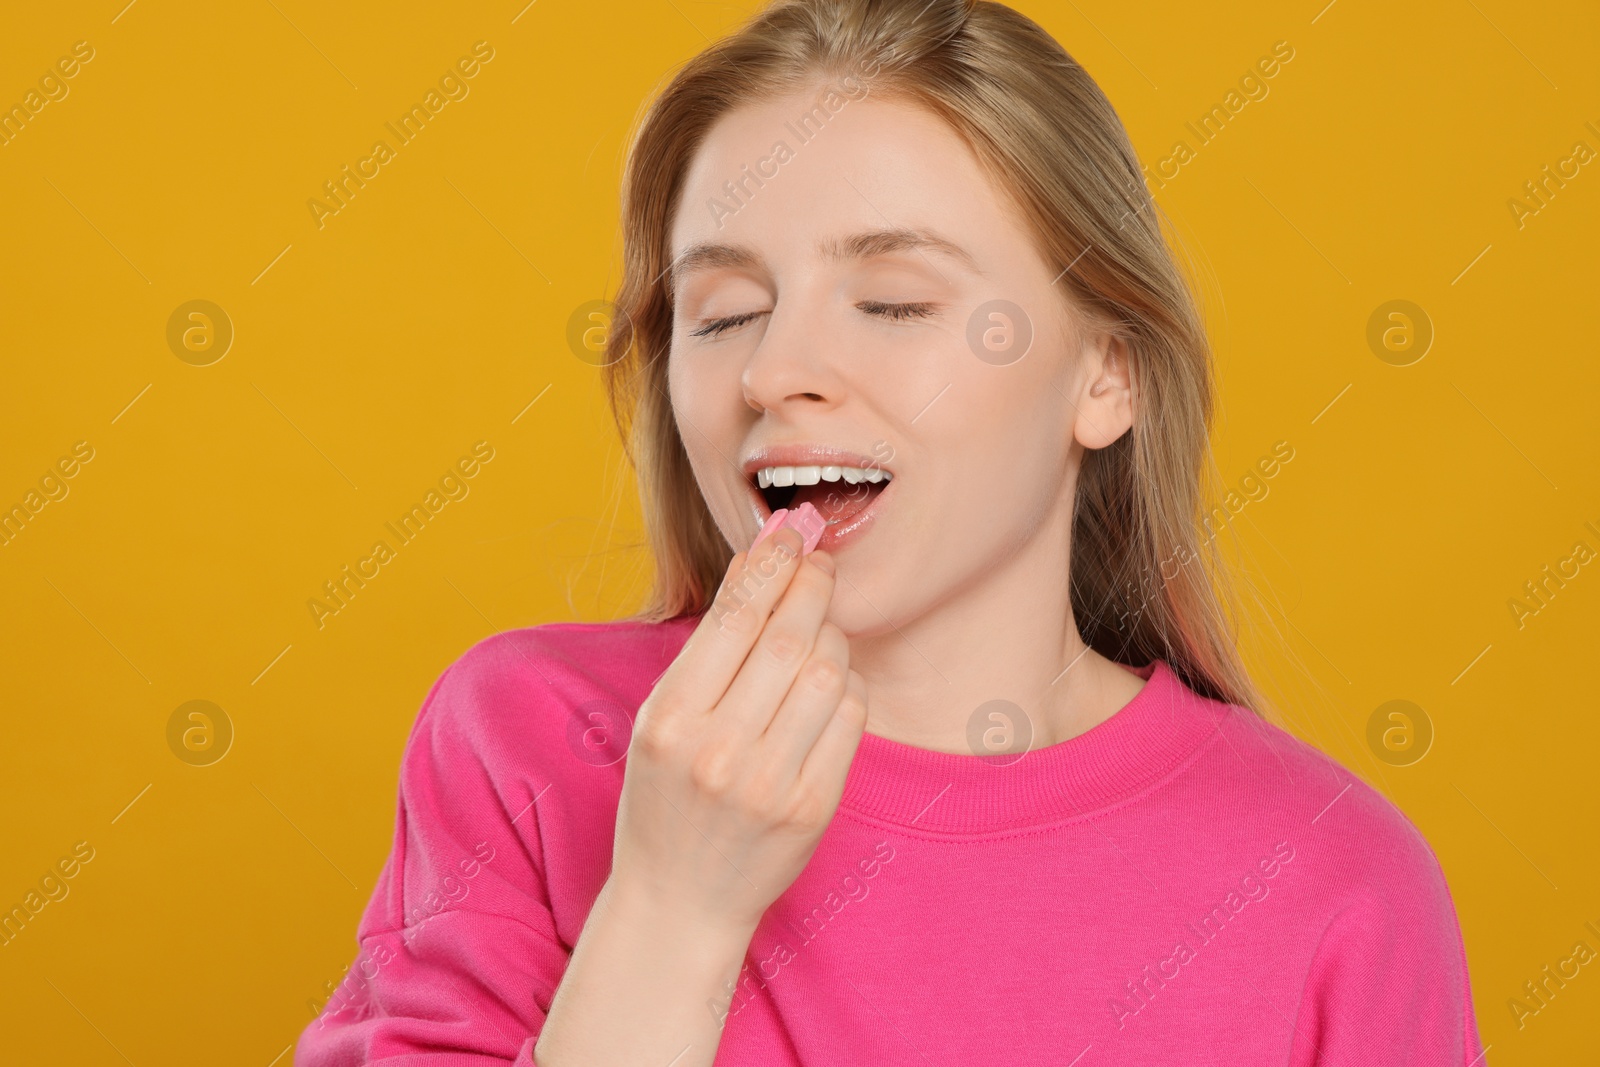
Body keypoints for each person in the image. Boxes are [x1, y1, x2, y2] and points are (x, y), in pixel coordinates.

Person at [296, 1, 1486, 1063]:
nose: (774, 370)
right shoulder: (527, 744)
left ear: (1105, 376)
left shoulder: (1338, 883)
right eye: (721, 314)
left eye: (894, 301)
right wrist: (670, 910)